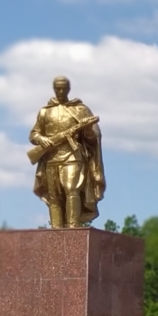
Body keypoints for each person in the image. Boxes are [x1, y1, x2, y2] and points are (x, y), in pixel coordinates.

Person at [29, 76, 105, 228]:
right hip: (51, 158)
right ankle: (56, 230)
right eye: (58, 88)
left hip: (73, 156)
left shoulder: (80, 109)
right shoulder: (45, 112)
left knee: (72, 189)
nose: (61, 91)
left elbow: (93, 138)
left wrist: (88, 129)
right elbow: (34, 134)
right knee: (54, 196)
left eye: (64, 88)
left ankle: (73, 227)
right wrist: (41, 139)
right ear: (54, 89)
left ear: (69, 89)